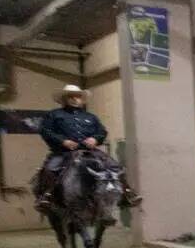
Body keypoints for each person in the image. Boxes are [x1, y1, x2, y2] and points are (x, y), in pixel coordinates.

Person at [34, 84, 141, 214]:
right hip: (63, 152)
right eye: (71, 96)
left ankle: (127, 194)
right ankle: (47, 196)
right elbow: (45, 131)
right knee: (51, 168)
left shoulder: (90, 117)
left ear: (81, 99)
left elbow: (102, 131)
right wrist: (63, 141)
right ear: (64, 99)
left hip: (90, 151)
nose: (75, 99)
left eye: (77, 96)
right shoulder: (54, 115)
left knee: (116, 166)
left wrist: (95, 139)